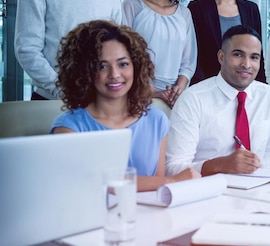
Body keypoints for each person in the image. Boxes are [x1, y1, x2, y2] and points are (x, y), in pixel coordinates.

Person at [51, 20, 200, 192]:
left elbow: (157, 188)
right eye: (102, 66)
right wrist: (172, 180)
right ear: (85, 71)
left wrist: (167, 182)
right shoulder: (68, 127)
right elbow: (92, 183)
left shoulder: (156, 120)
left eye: (123, 64)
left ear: (136, 67)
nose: (114, 74)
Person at [166, 25, 270, 177]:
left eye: (254, 57)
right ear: (221, 57)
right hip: (206, 191)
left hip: (256, 189)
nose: (246, 64)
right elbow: (172, 167)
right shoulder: (192, 99)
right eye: (238, 55)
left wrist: (257, 173)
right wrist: (220, 165)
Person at [122, 0, 197, 108]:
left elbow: (189, 61)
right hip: (138, 94)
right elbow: (124, 55)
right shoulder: (132, 6)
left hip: (175, 98)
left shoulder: (184, 14)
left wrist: (179, 88)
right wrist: (152, 91)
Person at [188, 0, 266, 84]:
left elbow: (257, 53)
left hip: (245, 85)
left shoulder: (251, 9)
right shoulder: (197, 8)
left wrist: (260, 85)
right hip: (208, 85)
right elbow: (195, 55)